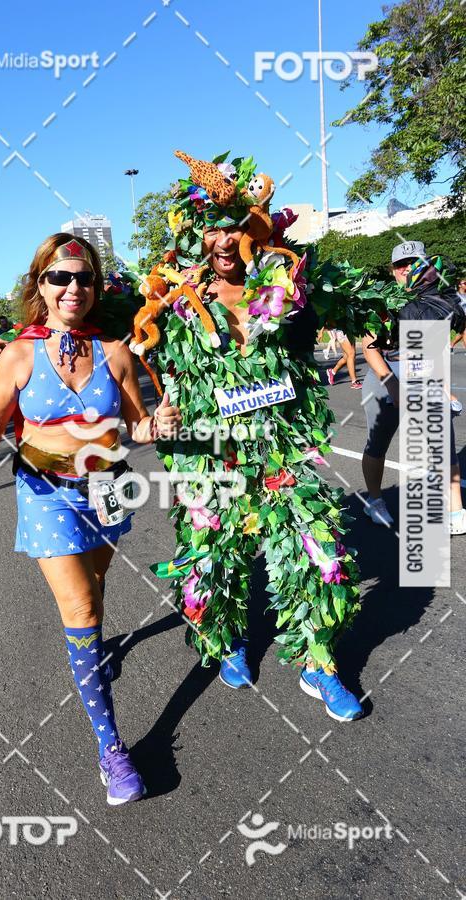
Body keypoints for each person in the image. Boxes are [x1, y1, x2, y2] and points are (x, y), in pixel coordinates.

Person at [0, 233, 181, 805]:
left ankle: (96, 653)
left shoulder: (117, 353)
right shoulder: (18, 354)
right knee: (80, 608)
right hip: (46, 491)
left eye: (83, 278)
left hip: (109, 484)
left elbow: (136, 425)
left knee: (96, 591)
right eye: (60, 277)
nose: (72, 287)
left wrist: (160, 424)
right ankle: (112, 751)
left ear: (96, 288)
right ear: (41, 286)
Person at [139, 150, 365, 722]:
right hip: (213, 455)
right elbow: (119, 341)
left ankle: (320, 663)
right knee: (212, 559)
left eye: (234, 228)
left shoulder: (286, 284)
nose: (223, 240)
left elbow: (357, 310)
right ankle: (226, 640)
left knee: (322, 556)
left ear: (252, 231)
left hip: (281, 453)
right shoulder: (178, 301)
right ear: (196, 237)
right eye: (212, 229)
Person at [361, 242, 466, 533]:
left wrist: (445, 387)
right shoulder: (380, 301)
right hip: (386, 375)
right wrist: (393, 385)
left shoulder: (441, 300)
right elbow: (369, 348)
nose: (407, 268)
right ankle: (375, 500)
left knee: (444, 446)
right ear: (392, 269)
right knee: (377, 443)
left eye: (414, 261)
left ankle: (455, 511)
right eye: (400, 264)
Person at [450, 274, 466, 352]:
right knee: (463, 332)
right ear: (459, 285)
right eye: (465, 283)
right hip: (458, 316)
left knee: (462, 333)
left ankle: (451, 345)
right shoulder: (455, 295)